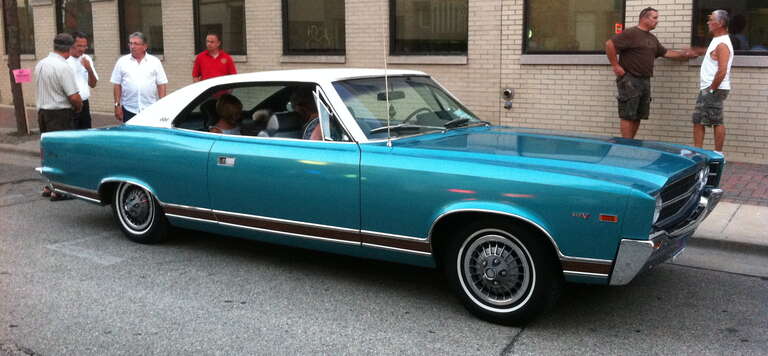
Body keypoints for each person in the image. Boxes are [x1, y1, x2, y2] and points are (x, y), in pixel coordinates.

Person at [605, 7, 697, 139]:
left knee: (638, 115)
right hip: (630, 79)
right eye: (654, 18)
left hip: (645, 80)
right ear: (644, 18)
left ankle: (631, 142)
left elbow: (666, 53)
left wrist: (685, 54)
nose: (657, 21)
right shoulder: (631, 33)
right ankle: (625, 145)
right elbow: (609, 44)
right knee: (628, 114)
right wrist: (615, 65)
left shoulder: (652, 38)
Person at [33, 33, 83, 200]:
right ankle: (61, 189)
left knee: (49, 152)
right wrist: (79, 107)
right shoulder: (63, 67)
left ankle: (50, 185)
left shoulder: (41, 64)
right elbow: (74, 96)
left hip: (43, 112)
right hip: (60, 113)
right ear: (69, 48)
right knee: (63, 152)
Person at [691, 10, 734, 155]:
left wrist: (712, 89)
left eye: (711, 19)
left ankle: (718, 154)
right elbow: (714, 56)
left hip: (713, 88)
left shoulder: (722, 44)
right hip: (709, 87)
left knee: (716, 120)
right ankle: (698, 152)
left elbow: (722, 70)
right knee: (698, 120)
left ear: (720, 23)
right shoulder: (717, 40)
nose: (708, 22)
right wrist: (699, 51)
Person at [110, 32, 168, 122]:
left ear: (145, 46)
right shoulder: (122, 62)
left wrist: (162, 106)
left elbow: (161, 84)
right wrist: (117, 105)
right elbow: (117, 85)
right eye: (131, 43)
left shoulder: (155, 62)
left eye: (136, 44)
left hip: (150, 109)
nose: (132, 46)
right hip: (129, 110)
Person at [67, 31, 98, 129]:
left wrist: (89, 69)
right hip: (70, 105)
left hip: (84, 103)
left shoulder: (86, 59)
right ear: (71, 45)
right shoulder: (65, 60)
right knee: (72, 133)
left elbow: (93, 84)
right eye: (79, 46)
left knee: (86, 132)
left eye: (84, 46)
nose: (82, 49)